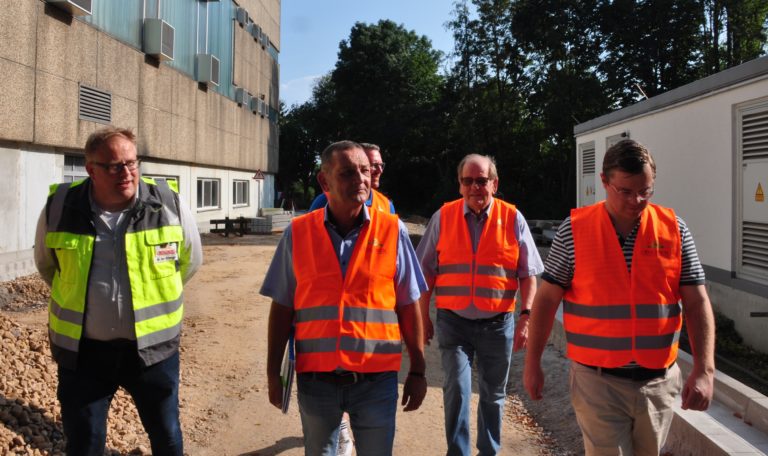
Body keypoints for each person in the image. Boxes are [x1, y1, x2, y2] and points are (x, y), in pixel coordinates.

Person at [523, 139, 715, 455]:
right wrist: (533, 363)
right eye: (624, 191)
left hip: (658, 382)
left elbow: (697, 302)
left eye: (645, 191)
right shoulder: (574, 231)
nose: (636, 200)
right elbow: (546, 300)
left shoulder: (674, 229)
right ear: (604, 181)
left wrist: (705, 370)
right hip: (597, 383)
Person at [34, 126, 203, 455]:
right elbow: (47, 265)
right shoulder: (60, 207)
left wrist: (151, 299)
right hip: (84, 354)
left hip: (153, 352)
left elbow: (190, 261)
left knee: (167, 436)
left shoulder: (168, 204)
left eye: (131, 162)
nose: (125, 172)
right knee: (84, 441)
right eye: (113, 166)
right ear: (90, 169)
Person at [262, 140, 427, 456]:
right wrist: (273, 374)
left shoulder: (393, 231)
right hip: (316, 382)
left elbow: (409, 304)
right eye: (348, 173)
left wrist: (418, 370)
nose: (361, 180)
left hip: (375, 382)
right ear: (325, 182)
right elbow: (282, 307)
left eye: (364, 171)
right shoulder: (297, 234)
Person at [416, 154, 543, 456]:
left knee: (493, 395)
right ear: (459, 185)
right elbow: (425, 271)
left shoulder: (513, 218)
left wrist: (526, 316)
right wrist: (423, 316)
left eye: (482, 180)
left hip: (498, 325)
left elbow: (528, 275)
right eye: (468, 181)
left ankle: (489, 451)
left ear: (494, 184)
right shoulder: (443, 217)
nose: (475, 186)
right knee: (457, 391)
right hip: (453, 322)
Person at [309, 143, 395, 214]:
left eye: (381, 165)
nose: (380, 171)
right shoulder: (325, 200)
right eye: (374, 165)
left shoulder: (386, 204)